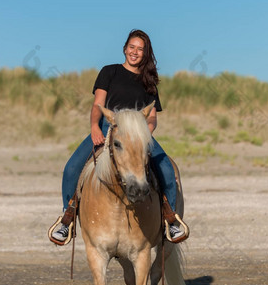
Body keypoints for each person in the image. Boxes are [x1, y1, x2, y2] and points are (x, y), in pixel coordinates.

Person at [51, 29, 185, 243]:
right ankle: (67, 219)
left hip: (138, 132)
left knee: (167, 170)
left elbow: (152, 117)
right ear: (124, 49)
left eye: (140, 49)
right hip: (108, 127)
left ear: (145, 53)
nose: (135, 52)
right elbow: (98, 104)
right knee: (72, 168)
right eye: (132, 47)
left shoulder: (149, 81)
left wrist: (143, 134)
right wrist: (94, 127)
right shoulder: (109, 71)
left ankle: (171, 219)